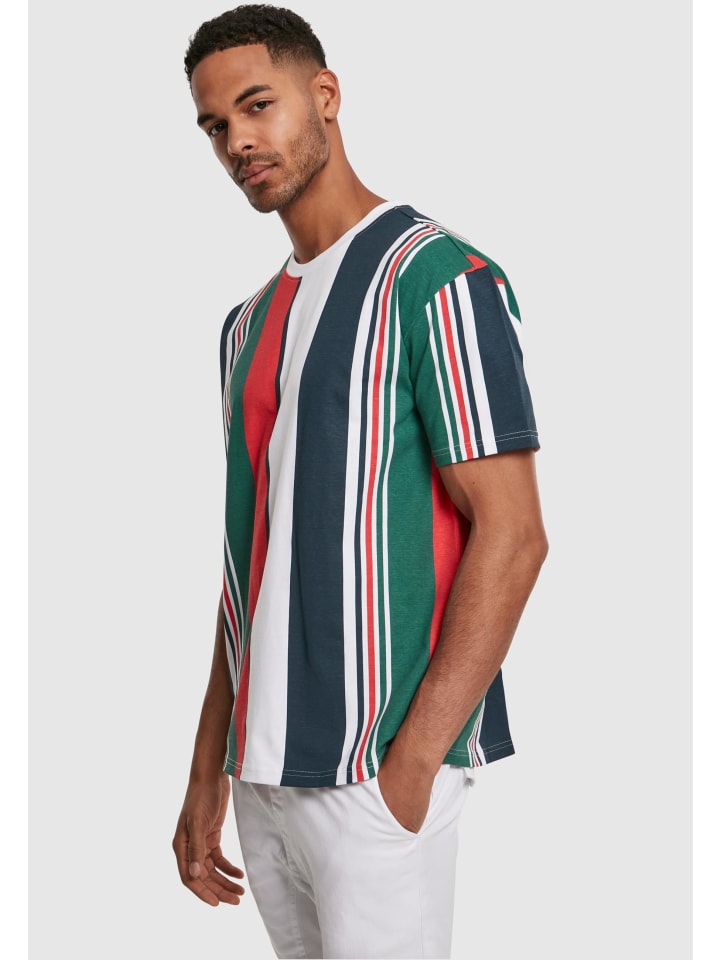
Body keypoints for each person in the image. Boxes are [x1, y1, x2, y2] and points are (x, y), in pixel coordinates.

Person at [172, 5, 548, 958]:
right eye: (215, 125)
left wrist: (412, 765)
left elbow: (514, 535)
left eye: (257, 105)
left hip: (374, 774)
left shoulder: (437, 279)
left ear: (325, 96)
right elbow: (247, 568)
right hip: (262, 780)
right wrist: (209, 767)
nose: (237, 141)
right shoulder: (245, 326)